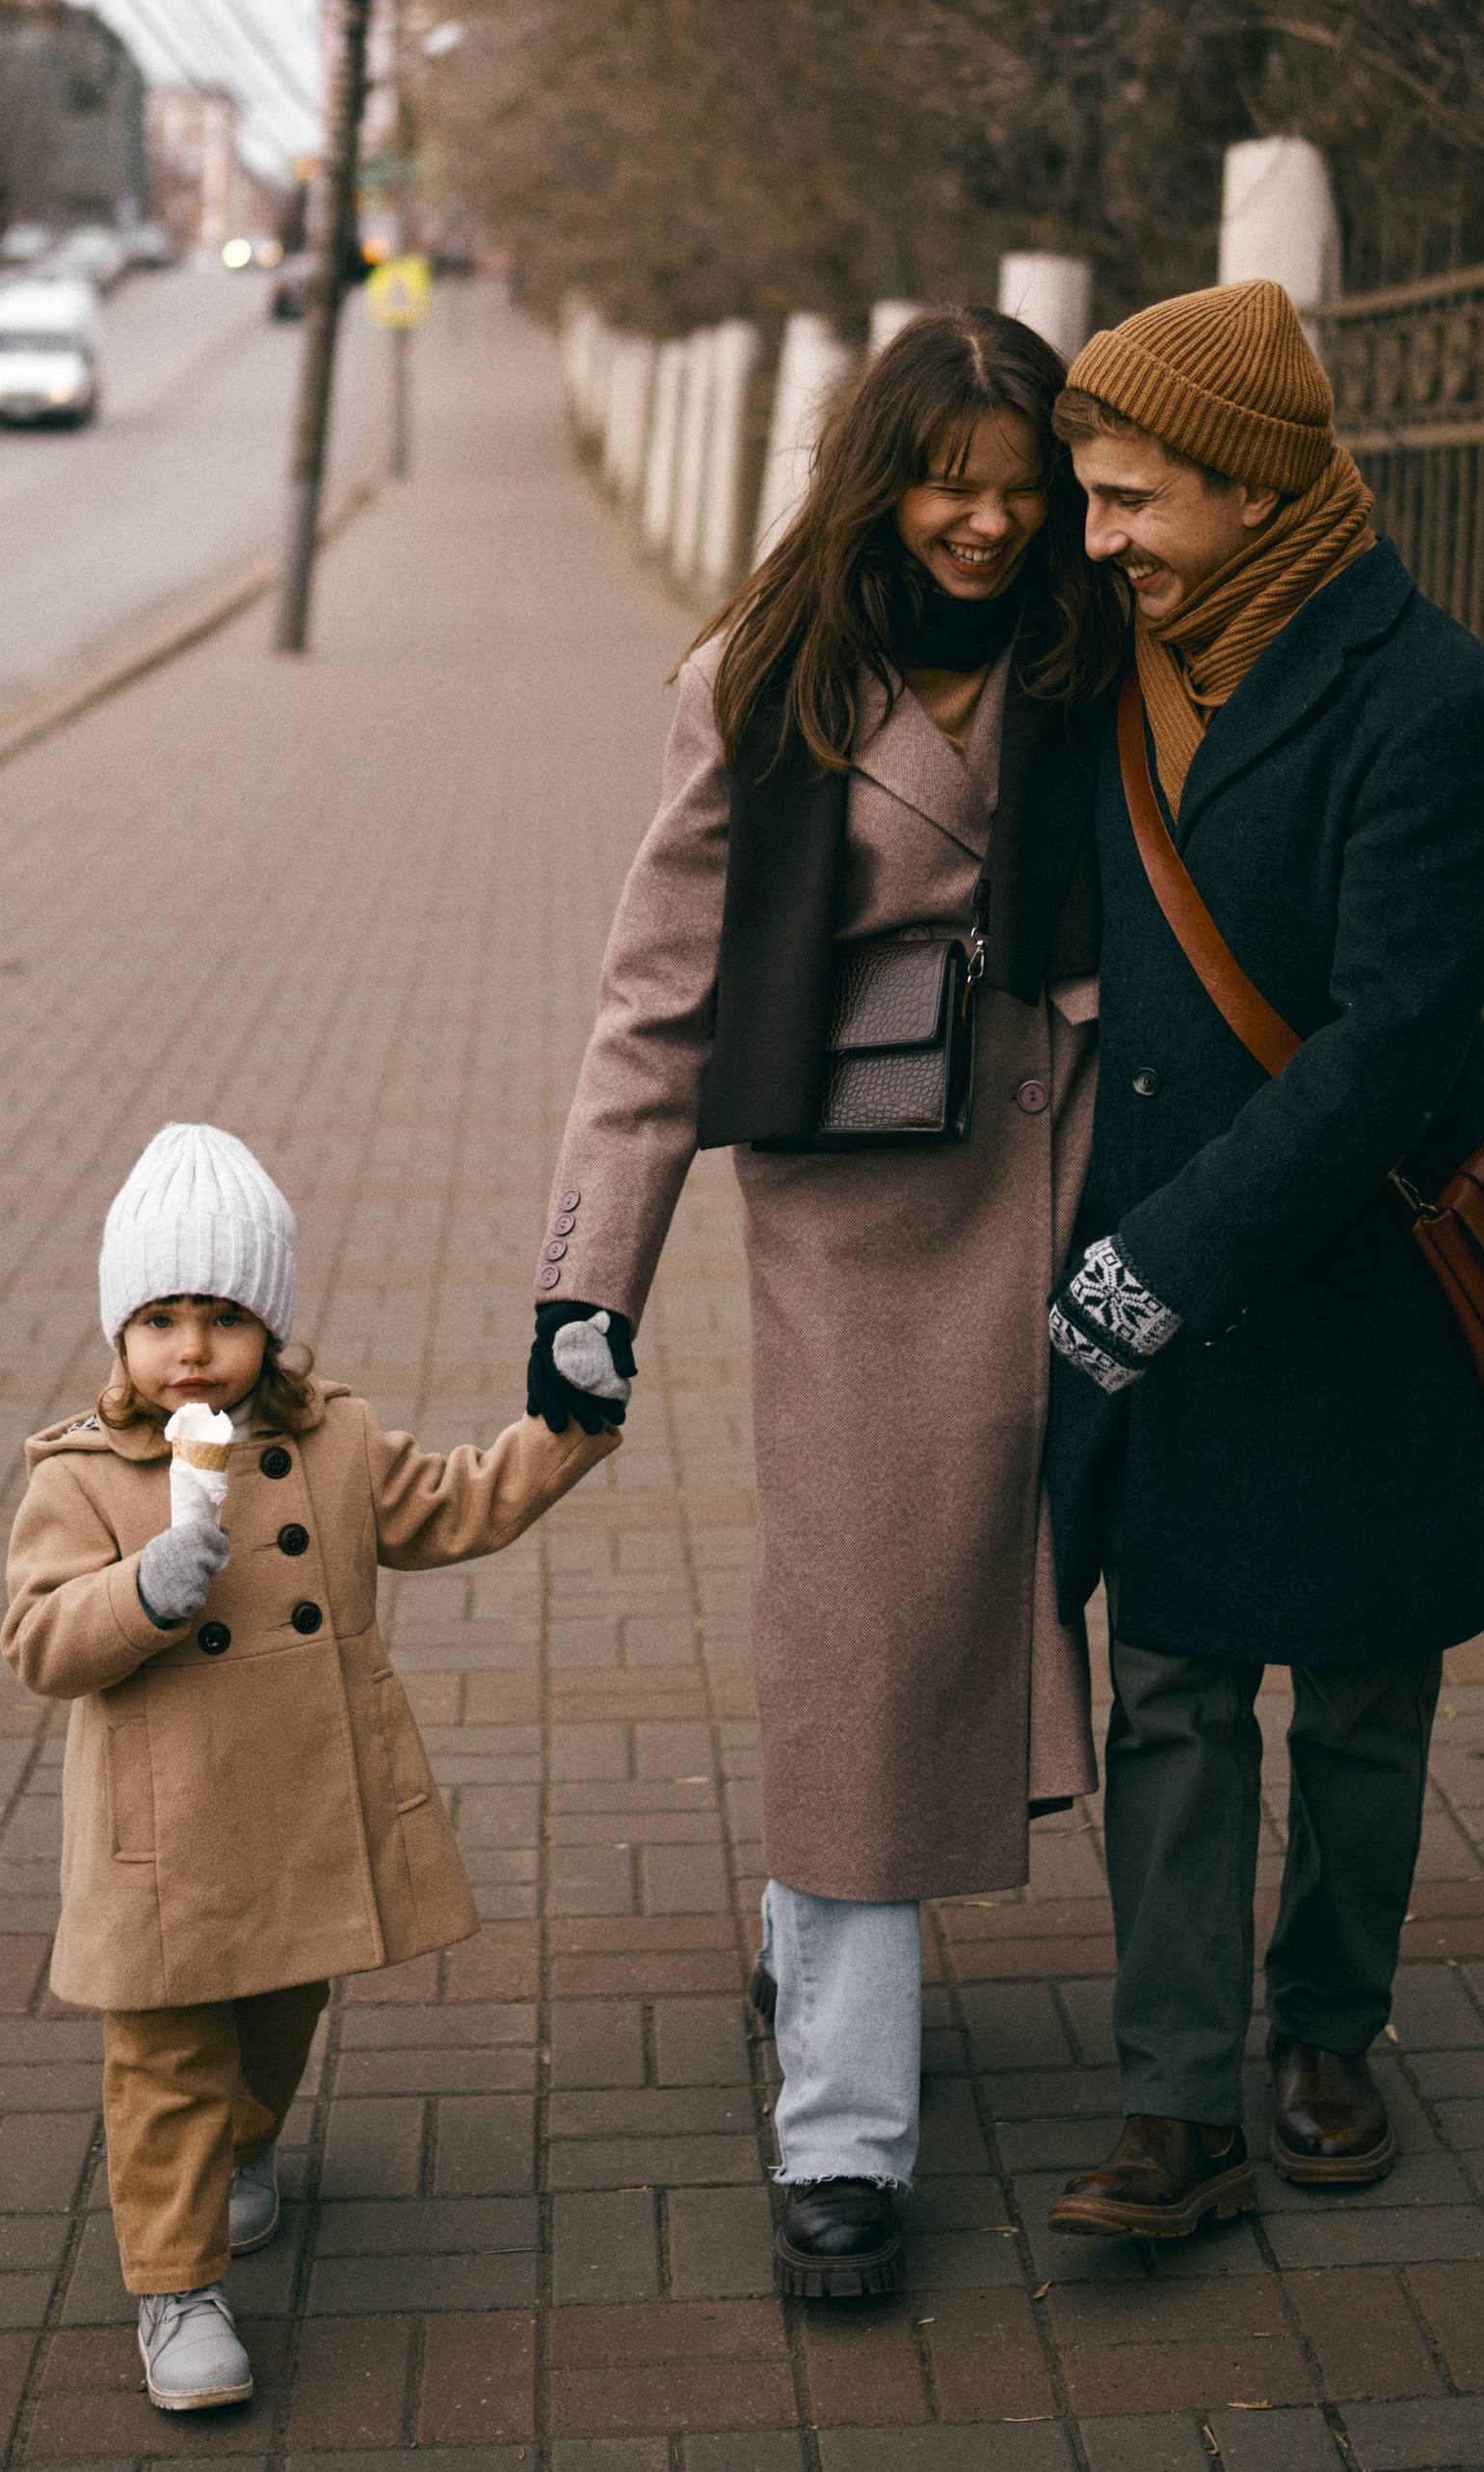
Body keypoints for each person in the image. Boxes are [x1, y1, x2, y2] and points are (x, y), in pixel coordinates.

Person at [530, 306, 1127, 2301]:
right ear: (876, 470)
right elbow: (655, 999)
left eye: (1017, 475)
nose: (986, 513)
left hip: (1089, 1191)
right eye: (948, 474)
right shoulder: (761, 680)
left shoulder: (1097, 647)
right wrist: (580, 1294)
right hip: (864, 1223)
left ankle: (816, 1951)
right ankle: (844, 2138)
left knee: (1073, 1615)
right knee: (864, 1642)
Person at [1034, 277, 1484, 2245]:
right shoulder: (1116, 659)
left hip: (1338, 1285)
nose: (1102, 540)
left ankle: (1326, 2027)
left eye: (1133, 499)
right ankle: (1174, 2097)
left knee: (1351, 1696)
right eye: (1088, 499)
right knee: (1163, 1689)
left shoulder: (1438, 705)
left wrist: (1169, 1253)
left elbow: (1393, 1042)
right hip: (1149, 1273)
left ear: (1251, 487)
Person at [3, 1121, 619, 2413]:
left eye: (221, 1314)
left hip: (298, 1809)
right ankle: (177, 2288)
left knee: (282, 2005)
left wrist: (565, 1426)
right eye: (159, 1316)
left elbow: (450, 1504)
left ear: (269, 1327)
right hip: (162, 1839)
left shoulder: (332, 1440)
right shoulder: (81, 1475)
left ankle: (249, 2135)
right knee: (167, 2050)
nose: (189, 1348)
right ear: (119, 1334)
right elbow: (42, 1640)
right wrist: (142, 1589)